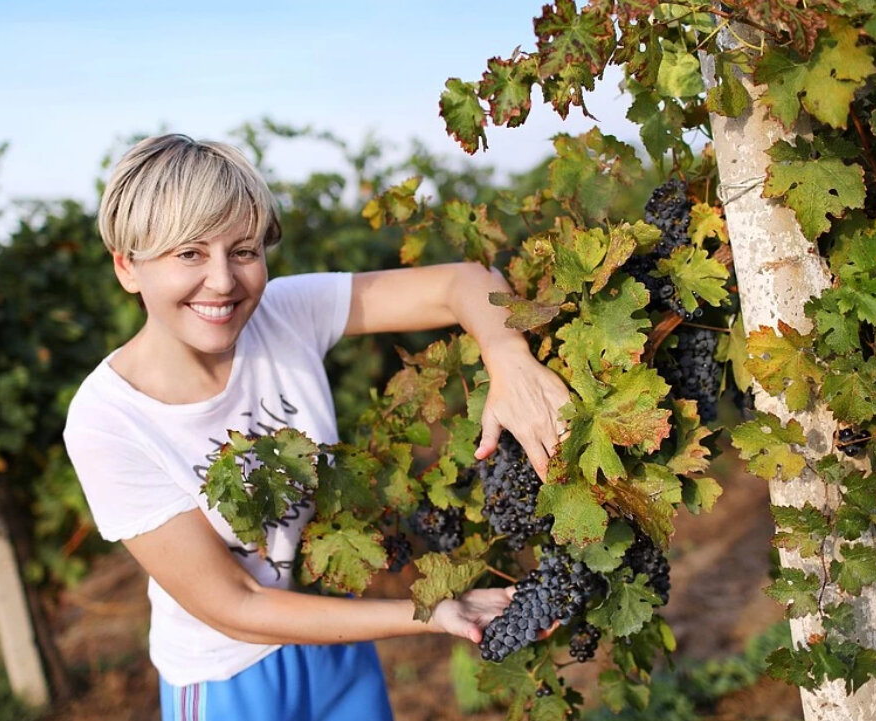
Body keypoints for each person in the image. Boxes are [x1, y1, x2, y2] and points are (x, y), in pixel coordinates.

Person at [63, 133, 569, 721]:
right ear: (128, 266)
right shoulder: (108, 421)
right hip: (231, 675)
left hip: (333, 636)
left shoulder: (285, 313)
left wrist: (509, 361)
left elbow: (462, 281)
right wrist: (433, 609)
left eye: (245, 250)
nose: (224, 280)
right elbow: (236, 605)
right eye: (189, 254)